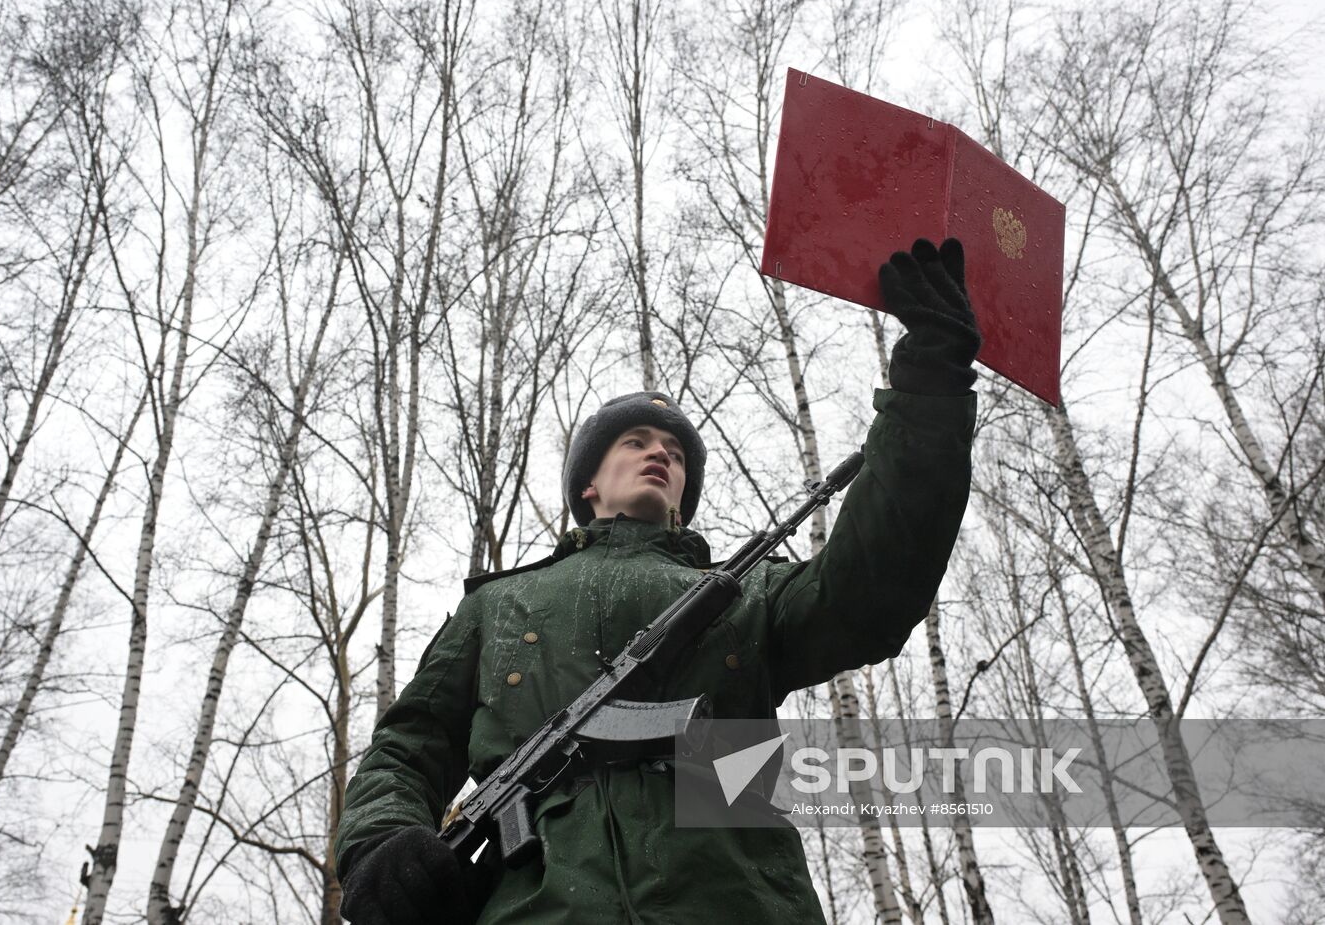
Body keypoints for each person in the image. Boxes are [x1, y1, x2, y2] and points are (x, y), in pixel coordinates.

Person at [335, 237, 981, 924]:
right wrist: (381, 840)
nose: (659, 455)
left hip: (734, 894)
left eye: (674, 453)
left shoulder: (746, 592)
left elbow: (871, 587)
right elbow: (409, 745)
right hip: (538, 902)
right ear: (588, 480)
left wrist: (928, 390)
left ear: (683, 492)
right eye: (636, 442)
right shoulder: (500, 603)